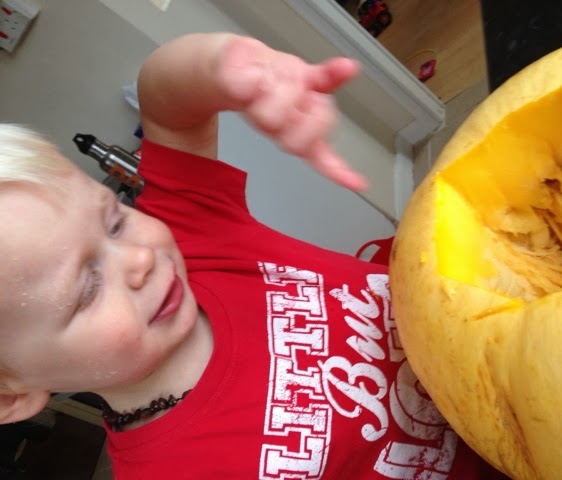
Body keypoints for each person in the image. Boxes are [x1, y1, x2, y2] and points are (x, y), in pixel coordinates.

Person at [0, 33, 507, 479]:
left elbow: (166, 101)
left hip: (500, 328)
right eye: (87, 290)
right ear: (11, 394)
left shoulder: (193, 232)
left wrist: (226, 64)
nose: (137, 259)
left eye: (115, 219)